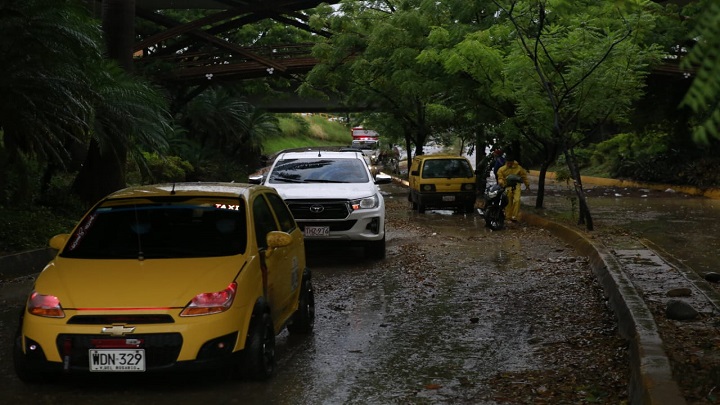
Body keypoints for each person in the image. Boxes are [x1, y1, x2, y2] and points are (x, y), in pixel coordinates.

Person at [496, 156, 530, 222]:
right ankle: (508, 216)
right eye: (508, 163)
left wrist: (527, 185)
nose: (509, 164)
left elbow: (524, 177)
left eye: (511, 163)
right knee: (508, 201)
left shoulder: (519, 168)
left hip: (516, 185)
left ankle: (514, 216)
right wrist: (501, 183)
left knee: (517, 200)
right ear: (506, 162)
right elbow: (500, 178)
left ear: (513, 162)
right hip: (507, 186)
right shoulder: (502, 169)